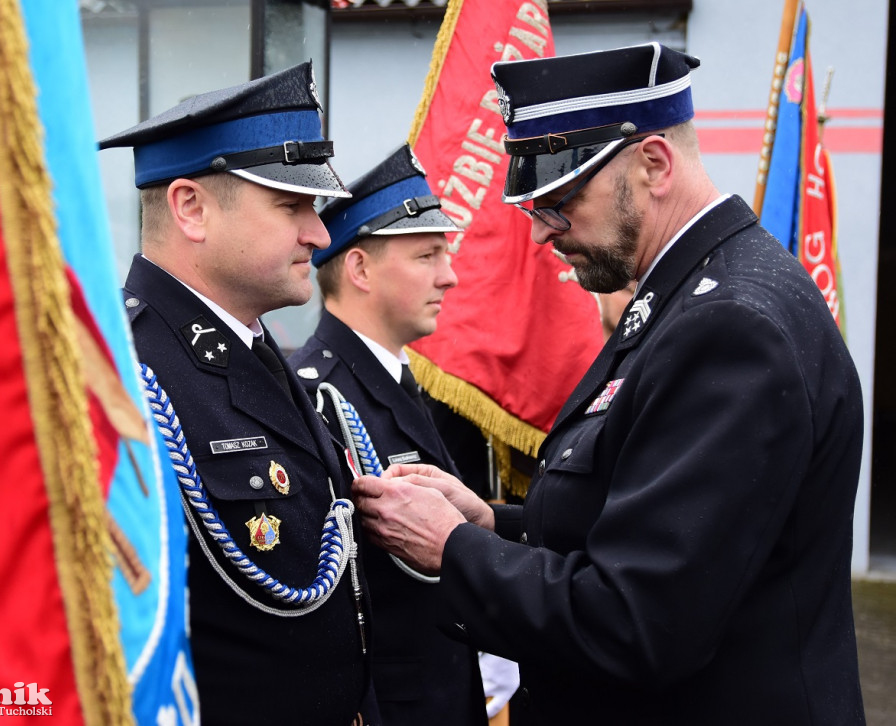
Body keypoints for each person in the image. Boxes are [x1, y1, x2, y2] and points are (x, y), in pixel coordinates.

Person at [351, 42, 866, 725]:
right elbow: (635, 520)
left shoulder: (728, 328)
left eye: (561, 198)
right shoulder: (691, 295)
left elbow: (638, 621)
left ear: (653, 163)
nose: (542, 233)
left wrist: (455, 549)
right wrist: (493, 525)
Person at [99, 62, 375, 726]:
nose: (319, 233)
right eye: (292, 206)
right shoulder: (126, 376)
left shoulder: (257, 353)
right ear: (190, 208)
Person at [288, 144, 488, 726]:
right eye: (427, 255)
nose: (449, 276)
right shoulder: (319, 396)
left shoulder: (400, 379)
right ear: (359, 269)